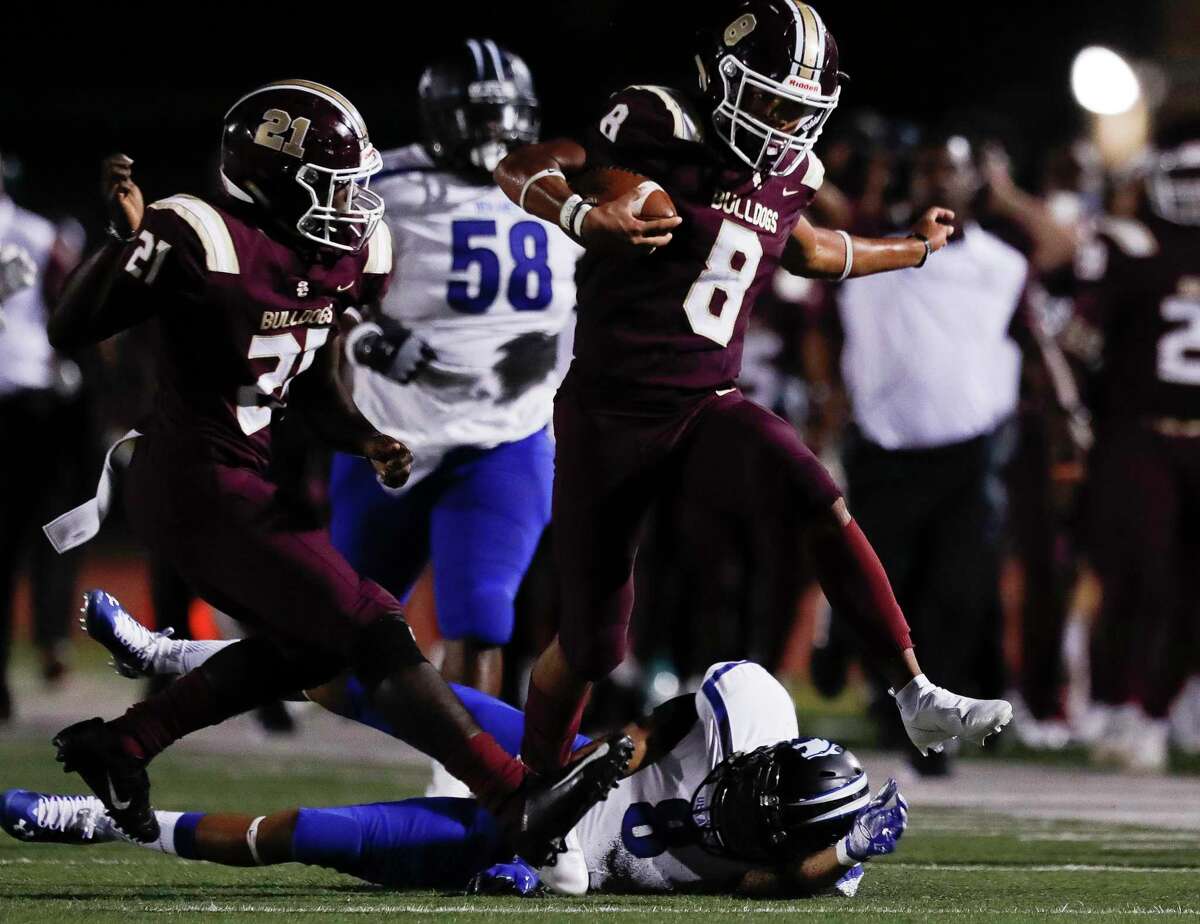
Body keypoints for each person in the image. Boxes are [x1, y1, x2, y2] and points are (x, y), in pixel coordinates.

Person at [41, 80, 630, 863]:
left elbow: (312, 384)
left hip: (248, 478)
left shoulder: (347, 251)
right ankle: (511, 794)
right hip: (188, 480)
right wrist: (122, 247)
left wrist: (365, 435)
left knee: (310, 652)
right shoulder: (202, 235)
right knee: (372, 622)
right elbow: (69, 325)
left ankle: (124, 743)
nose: (352, 202)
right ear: (273, 178)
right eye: (333, 185)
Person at [492, 0, 1013, 774]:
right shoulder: (652, 122)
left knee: (812, 488)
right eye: (769, 99)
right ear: (721, 78)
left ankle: (914, 690)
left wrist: (914, 248)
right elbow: (522, 165)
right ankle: (529, 797)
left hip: (707, 403)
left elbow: (809, 250)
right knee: (592, 641)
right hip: (610, 408)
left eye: (799, 110)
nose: (780, 123)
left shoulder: (794, 170)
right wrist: (577, 214)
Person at [7, 596, 908, 898]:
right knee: (355, 675)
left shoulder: (811, 861)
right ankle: (162, 653)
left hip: (542, 854)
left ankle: (106, 822)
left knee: (295, 834)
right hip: (564, 769)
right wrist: (599, 767)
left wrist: (839, 860)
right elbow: (663, 725)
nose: (721, 811)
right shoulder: (750, 707)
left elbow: (778, 879)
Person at [333, 40, 579, 717]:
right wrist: (363, 331)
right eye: (479, 117)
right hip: (391, 440)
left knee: (482, 617)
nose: (496, 135)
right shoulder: (381, 192)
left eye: (506, 118)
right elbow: (312, 292)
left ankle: (468, 785)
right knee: (331, 636)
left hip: (507, 436)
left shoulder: (561, 192)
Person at [828, 133, 1087, 773]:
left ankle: (931, 723)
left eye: (954, 169)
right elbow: (822, 294)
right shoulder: (873, 247)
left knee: (960, 589)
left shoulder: (1002, 260)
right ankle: (893, 706)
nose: (940, 179)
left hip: (970, 452)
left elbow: (1036, 329)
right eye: (929, 168)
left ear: (978, 181)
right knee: (892, 589)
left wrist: (1066, 411)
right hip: (884, 448)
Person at [1063, 124, 1200, 772]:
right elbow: (1078, 343)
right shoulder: (1128, 245)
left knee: (1187, 588)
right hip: (1140, 435)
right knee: (1136, 575)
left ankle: (1157, 709)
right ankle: (1119, 702)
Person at [0, 158, 83, 718]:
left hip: (24, 393)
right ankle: (52, 636)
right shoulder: (36, 232)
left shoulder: (36, 233)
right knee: (51, 524)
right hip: (32, 393)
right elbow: (71, 306)